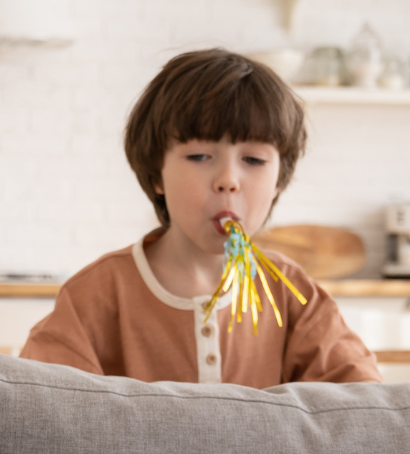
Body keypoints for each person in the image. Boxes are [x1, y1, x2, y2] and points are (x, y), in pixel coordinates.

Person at [20, 49, 382, 387]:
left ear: (278, 182)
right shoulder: (94, 297)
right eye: (199, 157)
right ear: (155, 175)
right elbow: (39, 413)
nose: (228, 180)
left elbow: (365, 406)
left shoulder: (292, 295)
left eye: (253, 160)